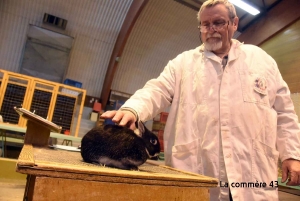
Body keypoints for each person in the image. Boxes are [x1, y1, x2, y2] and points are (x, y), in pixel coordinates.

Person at [101, 0, 300, 200]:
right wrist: (133, 110)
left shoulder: (262, 61)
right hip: (200, 174)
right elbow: (156, 90)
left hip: (252, 177)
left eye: (219, 22)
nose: (211, 29)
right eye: (206, 24)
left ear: (234, 23)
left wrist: (291, 154)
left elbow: (284, 113)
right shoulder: (183, 64)